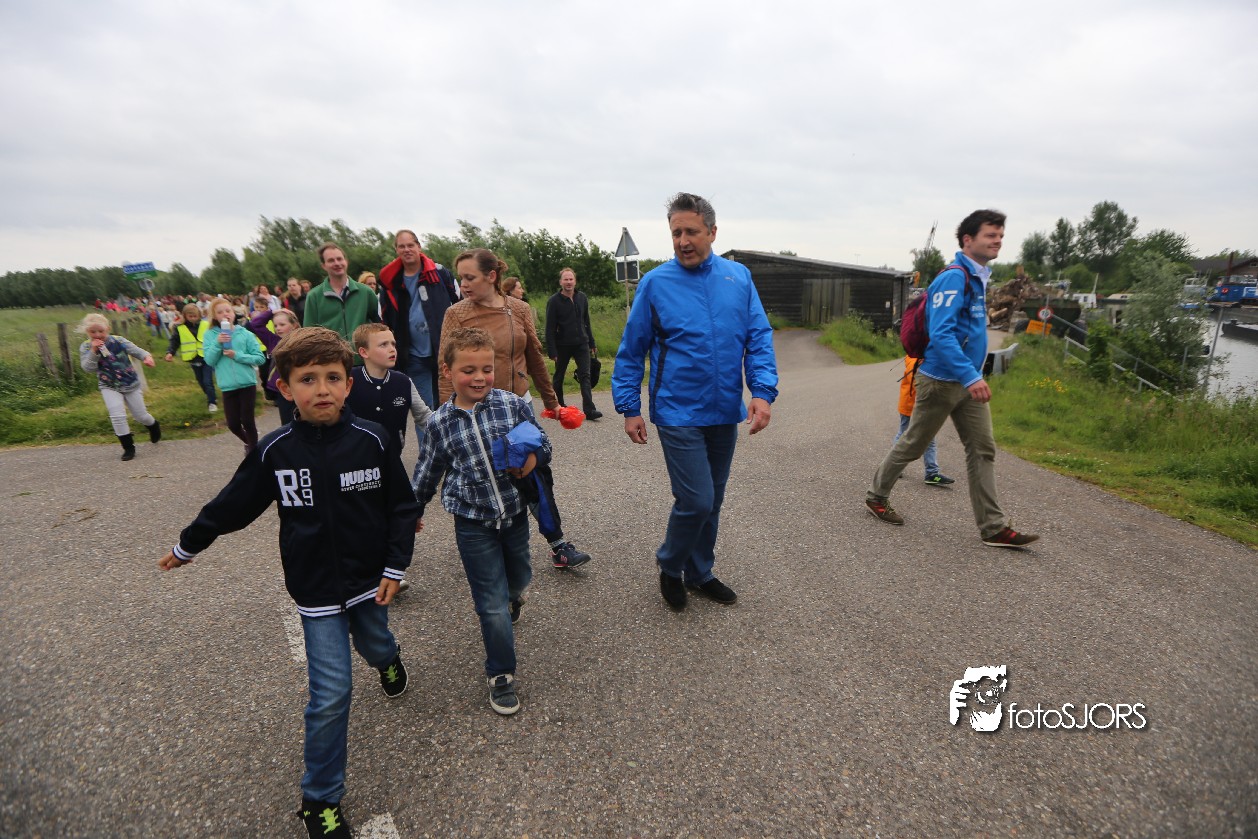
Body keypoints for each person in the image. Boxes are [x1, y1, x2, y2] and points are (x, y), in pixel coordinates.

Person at [157, 326, 419, 839]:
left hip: (370, 582)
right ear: (284, 387)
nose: (322, 389)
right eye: (307, 379)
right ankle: (319, 800)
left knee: (376, 642)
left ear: (348, 384)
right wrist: (189, 544)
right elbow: (233, 503)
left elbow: (402, 506)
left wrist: (395, 566)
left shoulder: (372, 439)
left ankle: (388, 660)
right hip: (315, 590)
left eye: (333, 378)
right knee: (330, 695)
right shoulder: (275, 450)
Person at [612, 192, 778, 610]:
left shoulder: (738, 278)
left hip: (723, 410)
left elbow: (758, 338)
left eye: (691, 232)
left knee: (713, 501)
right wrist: (630, 407)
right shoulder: (655, 283)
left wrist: (761, 392)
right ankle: (671, 565)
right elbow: (631, 351)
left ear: (713, 232)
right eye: (676, 233)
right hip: (677, 410)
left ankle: (700, 572)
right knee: (697, 499)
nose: (683, 241)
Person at [864, 209, 1039, 549]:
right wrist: (971, 376)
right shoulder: (954, 278)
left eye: (1000, 236)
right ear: (967, 240)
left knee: (982, 449)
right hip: (941, 382)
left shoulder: (978, 277)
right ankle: (876, 495)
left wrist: (971, 377)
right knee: (914, 444)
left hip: (966, 384)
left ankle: (993, 527)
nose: (998, 241)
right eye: (991, 235)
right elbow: (941, 335)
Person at [411, 327, 548, 716]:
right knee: (490, 603)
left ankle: (513, 597)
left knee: (519, 578)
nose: (479, 378)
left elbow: (542, 441)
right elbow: (426, 472)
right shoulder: (439, 423)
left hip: (514, 514)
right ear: (447, 371)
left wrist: (534, 458)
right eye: (468, 370)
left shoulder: (511, 405)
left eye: (486, 369)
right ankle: (500, 673)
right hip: (472, 521)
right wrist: (412, 510)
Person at [440, 249, 592, 570]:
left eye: (470, 277)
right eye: (461, 278)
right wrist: (448, 416)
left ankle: (558, 543)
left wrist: (552, 402)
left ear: (491, 276)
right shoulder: (456, 313)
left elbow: (535, 358)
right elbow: (446, 369)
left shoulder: (519, 308)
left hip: (518, 407)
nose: (463, 284)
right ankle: (484, 544)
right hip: (477, 413)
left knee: (534, 471)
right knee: (486, 477)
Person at [378, 230, 458, 419]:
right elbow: (384, 318)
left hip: (443, 350)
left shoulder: (440, 273)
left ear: (419, 247)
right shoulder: (390, 281)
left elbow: (459, 301)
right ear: (396, 250)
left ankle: (447, 438)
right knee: (424, 410)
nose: (407, 249)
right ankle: (428, 440)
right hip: (413, 354)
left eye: (410, 245)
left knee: (448, 403)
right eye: (402, 246)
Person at [78, 313, 161, 461]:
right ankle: (128, 448)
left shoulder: (118, 340)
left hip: (130, 382)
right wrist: (93, 352)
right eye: (93, 332)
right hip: (108, 385)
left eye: (101, 331)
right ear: (87, 332)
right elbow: (88, 368)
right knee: (117, 416)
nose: (97, 335)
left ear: (107, 329)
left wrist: (147, 357)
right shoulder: (86, 347)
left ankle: (153, 425)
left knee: (140, 415)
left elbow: (136, 350)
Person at [347, 323, 432, 450]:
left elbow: (424, 417)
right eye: (383, 345)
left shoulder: (403, 382)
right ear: (364, 352)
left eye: (393, 344)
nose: (392, 349)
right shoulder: (349, 380)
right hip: (355, 456)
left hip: (393, 456)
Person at [205, 298, 266, 455]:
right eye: (220, 312)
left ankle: (254, 453)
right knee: (233, 424)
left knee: (247, 420)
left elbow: (260, 358)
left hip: (247, 383)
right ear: (214, 316)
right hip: (227, 385)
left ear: (233, 313)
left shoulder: (245, 334)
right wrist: (218, 343)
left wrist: (237, 355)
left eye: (228, 311)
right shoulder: (210, 335)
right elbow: (210, 360)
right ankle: (250, 443)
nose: (225, 314)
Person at [545, 267, 602, 420]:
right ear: (561, 282)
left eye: (571, 279)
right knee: (559, 375)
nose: (569, 282)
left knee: (585, 375)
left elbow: (586, 322)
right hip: (562, 345)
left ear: (575, 281)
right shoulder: (554, 301)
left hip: (581, 343)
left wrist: (592, 342)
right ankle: (559, 406)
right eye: (566, 279)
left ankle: (589, 410)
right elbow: (549, 328)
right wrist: (552, 350)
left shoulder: (582, 298)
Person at [303, 242, 381, 353]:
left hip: (363, 358)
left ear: (346, 261)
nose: (337, 263)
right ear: (324, 266)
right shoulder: (314, 296)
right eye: (331, 260)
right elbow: (308, 335)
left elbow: (379, 325)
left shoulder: (366, 292)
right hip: (331, 359)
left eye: (339, 259)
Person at [896, 354, 954, 486]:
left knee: (929, 438)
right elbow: (921, 383)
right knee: (904, 435)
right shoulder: (914, 360)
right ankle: (894, 467)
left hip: (924, 406)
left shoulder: (925, 358)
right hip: (910, 406)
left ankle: (932, 473)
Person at [247, 307, 302, 425]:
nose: (278, 328)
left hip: (301, 387)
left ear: (294, 325)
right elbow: (255, 325)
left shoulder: (303, 340)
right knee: (287, 423)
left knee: (304, 420)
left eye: (282, 324)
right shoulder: (272, 341)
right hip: (283, 390)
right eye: (275, 325)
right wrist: (272, 312)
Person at [165, 303, 218, 413]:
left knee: (207, 381)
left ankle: (212, 402)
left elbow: (214, 336)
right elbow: (174, 341)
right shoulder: (180, 328)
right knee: (200, 381)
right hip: (193, 359)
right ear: (185, 316)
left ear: (199, 315)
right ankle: (210, 394)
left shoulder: (205, 324)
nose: (193, 318)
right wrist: (170, 352)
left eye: (195, 316)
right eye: (190, 316)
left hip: (207, 357)